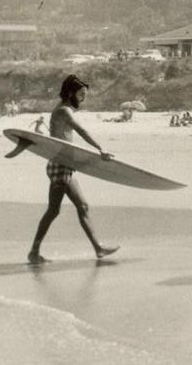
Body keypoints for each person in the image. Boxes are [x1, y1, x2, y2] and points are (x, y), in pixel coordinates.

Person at [28, 74, 119, 264]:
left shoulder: (63, 110)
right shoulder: (64, 111)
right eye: (81, 93)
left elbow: (58, 136)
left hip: (65, 164)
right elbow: (82, 131)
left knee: (70, 208)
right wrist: (100, 148)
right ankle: (34, 252)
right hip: (60, 165)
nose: (83, 97)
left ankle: (97, 249)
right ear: (71, 92)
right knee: (60, 209)